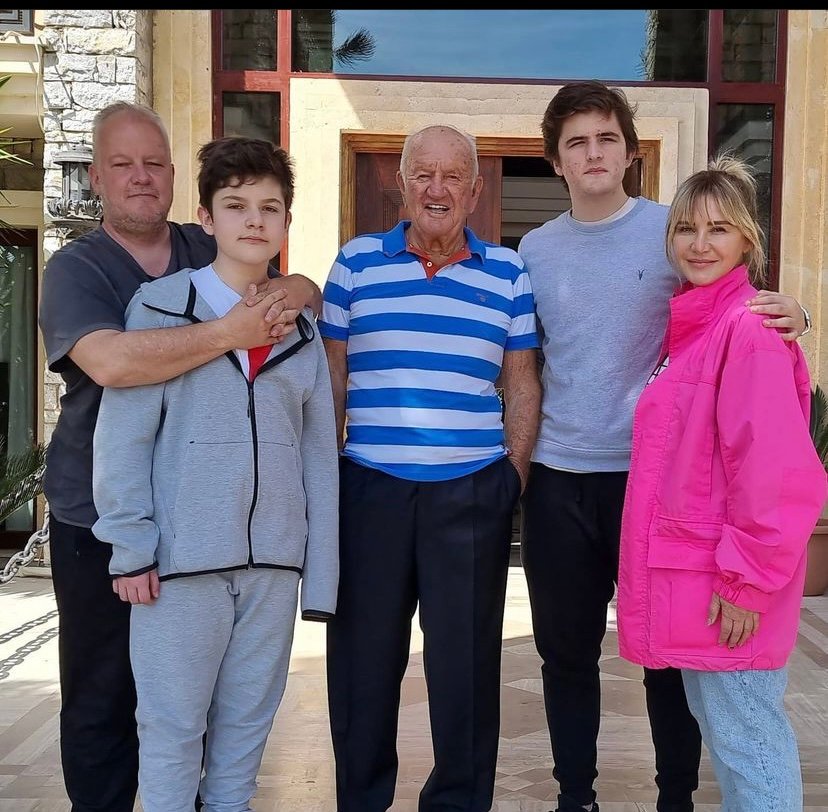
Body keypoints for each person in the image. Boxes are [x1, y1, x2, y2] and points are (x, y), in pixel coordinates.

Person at [517, 80, 808, 812]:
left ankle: (674, 797)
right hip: (560, 474)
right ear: (556, 160)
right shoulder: (534, 250)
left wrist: (794, 311)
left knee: (670, 657)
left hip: (652, 482)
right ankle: (575, 796)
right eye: (577, 142)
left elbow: (732, 304)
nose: (593, 153)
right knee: (565, 654)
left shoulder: (671, 229)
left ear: (629, 153)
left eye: (607, 139)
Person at [38, 102, 321, 812]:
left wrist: (289, 294)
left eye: (154, 163)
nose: (141, 177)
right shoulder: (80, 269)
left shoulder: (209, 247)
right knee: (109, 702)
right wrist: (230, 332)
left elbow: (294, 285)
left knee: (232, 723)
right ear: (96, 176)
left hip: (243, 548)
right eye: (123, 164)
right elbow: (114, 368)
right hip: (102, 519)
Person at [320, 123, 541, 812]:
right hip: (370, 492)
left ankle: (457, 802)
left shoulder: (508, 271)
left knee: (465, 669)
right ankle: (362, 800)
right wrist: (327, 477)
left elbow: (523, 381)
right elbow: (330, 380)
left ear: (475, 192)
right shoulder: (354, 264)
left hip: (470, 494)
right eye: (423, 174)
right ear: (402, 184)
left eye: (452, 177)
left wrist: (511, 476)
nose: (436, 189)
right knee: (363, 665)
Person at [616, 155, 826, 811]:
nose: (700, 244)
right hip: (701, 581)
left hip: (726, 587)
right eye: (686, 229)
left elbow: (775, 474)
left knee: (749, 744)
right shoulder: (698, 328)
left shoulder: (746, 329)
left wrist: (746, 582)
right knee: (735, 739)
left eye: (718, 229)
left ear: (747, 241)